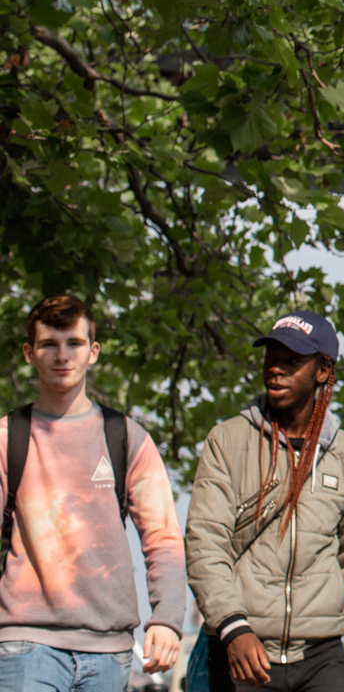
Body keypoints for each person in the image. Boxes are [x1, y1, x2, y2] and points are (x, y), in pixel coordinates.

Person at [0, 294, 185, 692]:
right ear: (29, 353)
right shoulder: (6, 437)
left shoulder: (126, 437)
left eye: (75, 343)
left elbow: (164, 539)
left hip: (110, 651)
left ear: (94, 351)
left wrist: (167, 619)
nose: (62, 355)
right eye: (49, 344)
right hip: (23, 646)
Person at [185, 310, 344, 692]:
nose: (276, 369)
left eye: (291, 361)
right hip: (242, 649)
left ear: (322, 370)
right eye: (271, 358)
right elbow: (205, 542)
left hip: (322, 655)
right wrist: (233, 627)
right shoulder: (228, 439)